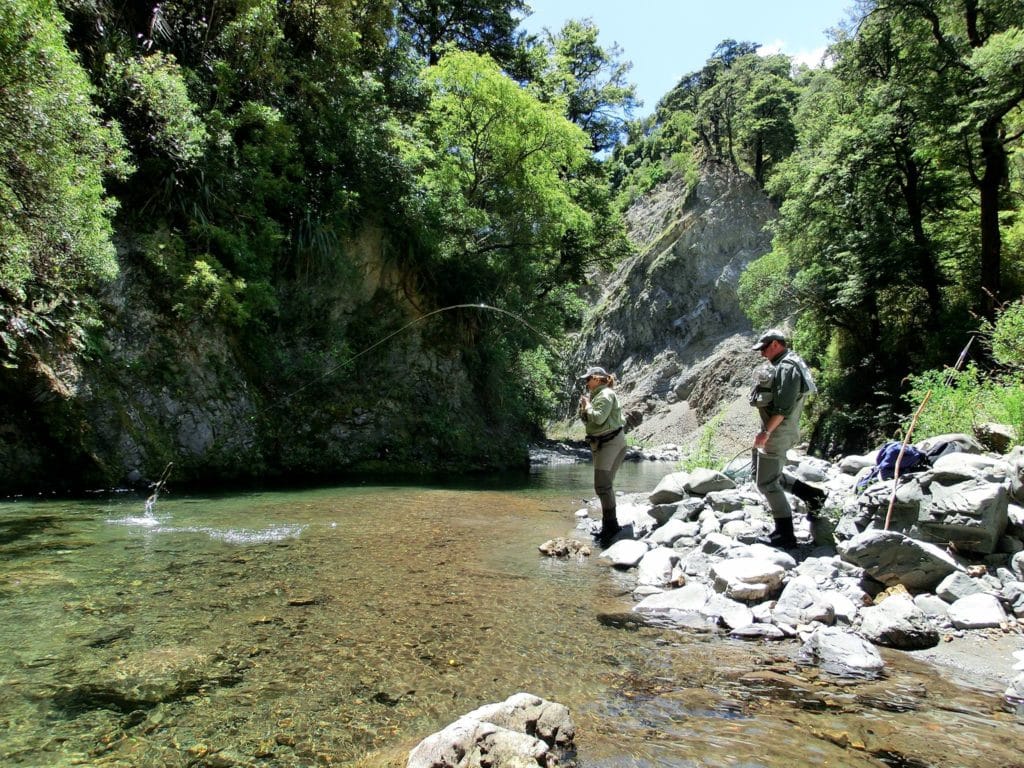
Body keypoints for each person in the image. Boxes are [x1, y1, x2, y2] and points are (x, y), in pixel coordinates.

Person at [748, 330, 825, 548]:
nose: (762, 353)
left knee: (766, 482)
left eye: (764, 348)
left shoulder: (787, 368)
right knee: (761, 475)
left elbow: (783, 408)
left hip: (778, 431)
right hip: (775, 430)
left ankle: (785, 534)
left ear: (775, 344)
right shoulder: (784, 364)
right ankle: (812, 496)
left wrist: (766, 433)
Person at [578, 366, 627, 546]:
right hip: (603, 443)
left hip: (611, 443)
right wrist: (584, 408)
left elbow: (598, 419)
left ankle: (611, 527)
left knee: (603, 485)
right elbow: (588, 421)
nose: (586, 382)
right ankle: (609, 525)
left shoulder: (605, 395)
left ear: (598, 379)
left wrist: (588, 407)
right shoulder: (597, 396)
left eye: (588, 379)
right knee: (603, 486)